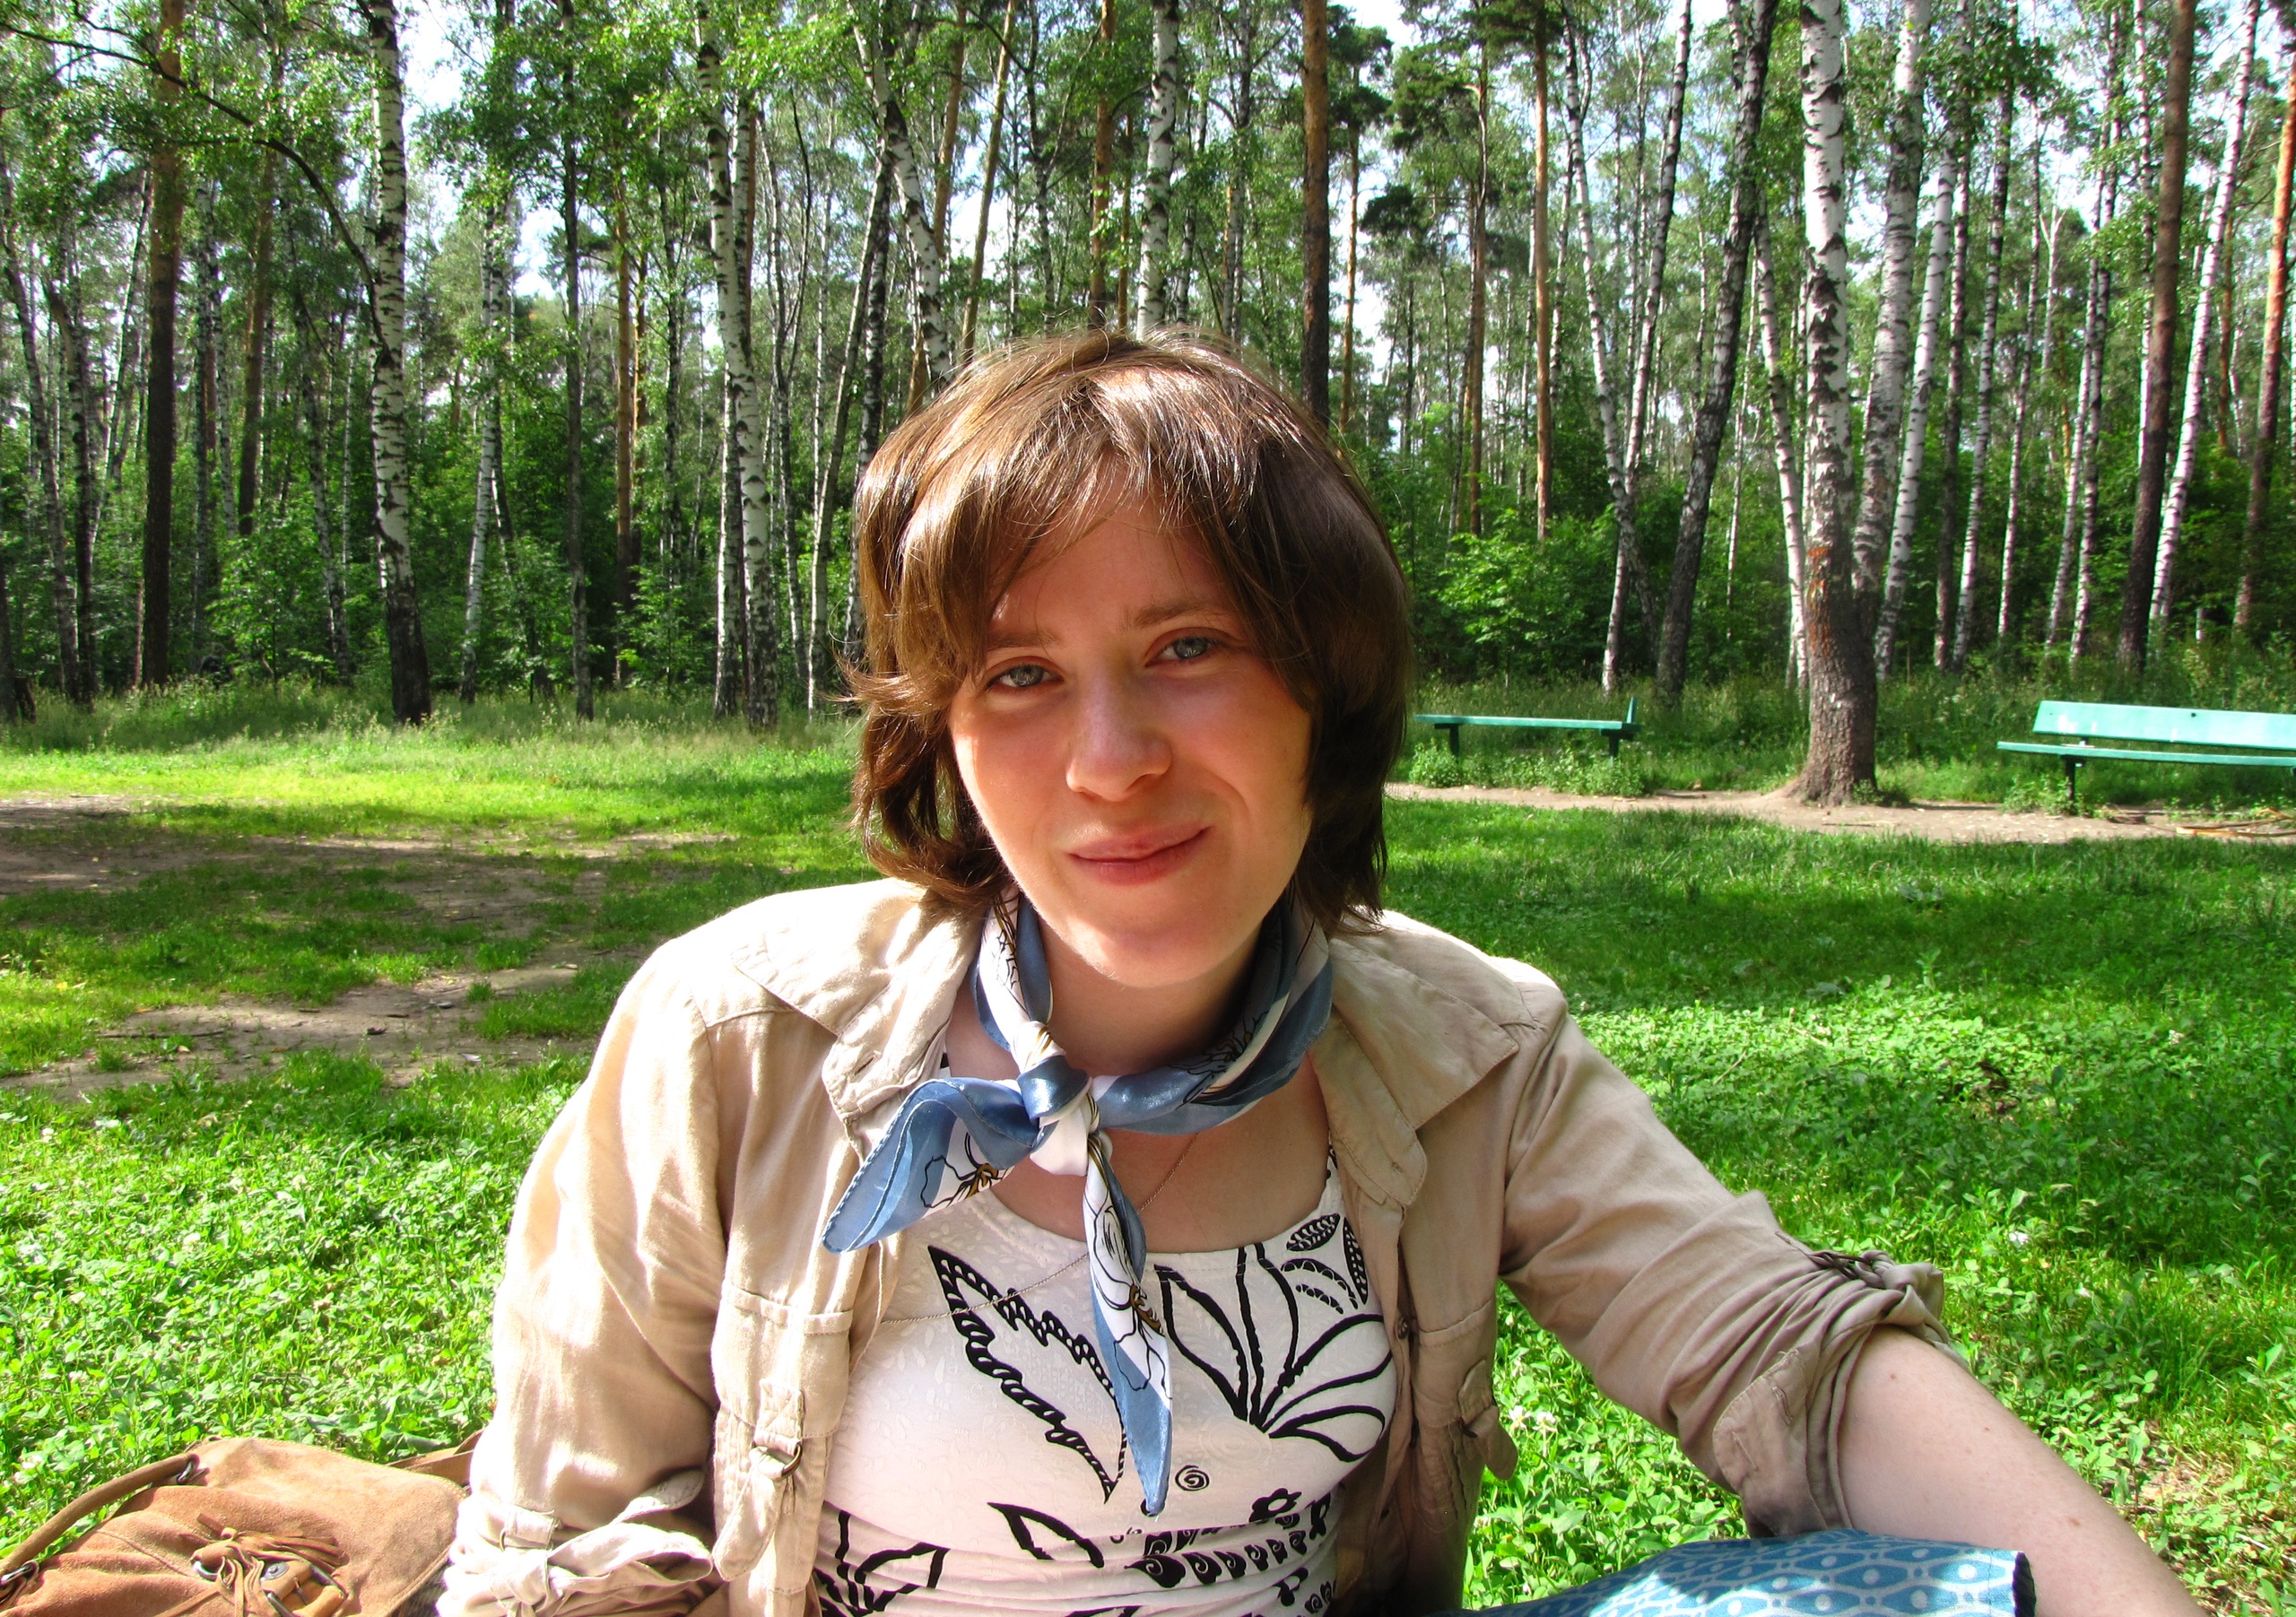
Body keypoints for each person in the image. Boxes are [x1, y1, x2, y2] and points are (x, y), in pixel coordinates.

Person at [438, 334, 2201, 1617]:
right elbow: (560, 1555)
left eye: (1187, 646)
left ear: (1321, 691)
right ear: (942, 734)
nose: (1110, 761)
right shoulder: (737, 1038)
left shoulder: (1467, 1052)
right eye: (1019, 676)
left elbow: (1780, 1354)